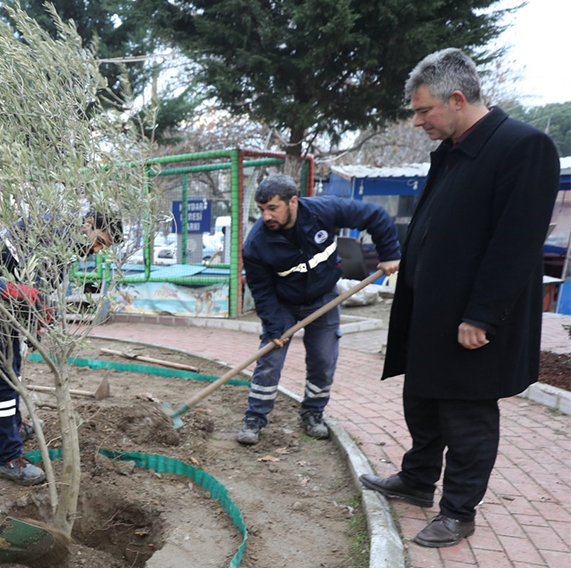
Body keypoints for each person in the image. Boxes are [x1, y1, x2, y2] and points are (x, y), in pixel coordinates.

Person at [359, 48, 560, 548]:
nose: (418, 119)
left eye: (424, 110)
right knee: (422, 402)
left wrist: (482, 314)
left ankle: (459, 511)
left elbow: (517, 241)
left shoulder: (523, 146)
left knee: (467, 415)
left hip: (473, 320)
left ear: (456, 98)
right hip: (431, 312)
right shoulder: (452, 150)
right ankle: (416, 479)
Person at [238, 174, 400, 445]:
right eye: (262, 210)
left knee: (323, 361)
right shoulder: (257, 244)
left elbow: (376, 215)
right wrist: (275, 327)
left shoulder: (323, 211)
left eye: (272, 208)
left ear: (293, 202)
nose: (266, 217)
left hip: (324, 298)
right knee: (269, 361)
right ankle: (254, 417)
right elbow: (261, 290)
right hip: (283, 303)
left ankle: (313, 413)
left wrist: (390, 254)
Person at [0, 211, 121, 485]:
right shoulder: (52, 230)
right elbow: (13, 275)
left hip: (9, 313)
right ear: (89, 223)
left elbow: (42, 284)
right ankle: (9, 458)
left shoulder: (65, 242)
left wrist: (40, 313)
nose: (97, 250)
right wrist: (24, 301)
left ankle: (16, 426)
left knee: (13, 374)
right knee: (3, 387)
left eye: (104, 247)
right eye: (100, 241)